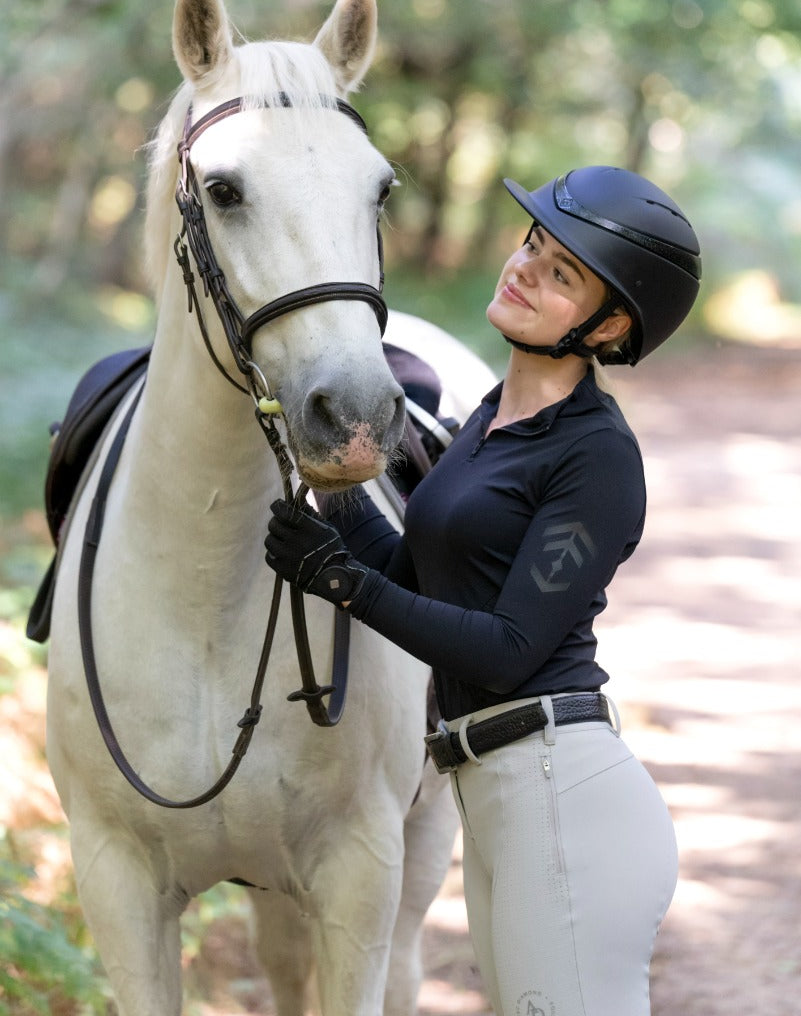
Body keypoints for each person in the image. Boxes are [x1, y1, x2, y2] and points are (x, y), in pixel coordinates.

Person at [265, 165, 702, 1016]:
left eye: (560, 273)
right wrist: (336, 484)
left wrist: (339, 581)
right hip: (496, 790)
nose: (523, 268)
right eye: (532, 244)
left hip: (561, 793)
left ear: (609, 325)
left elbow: (504, 649)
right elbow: (418, 582)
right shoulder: (494, 415)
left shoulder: (595, 457)